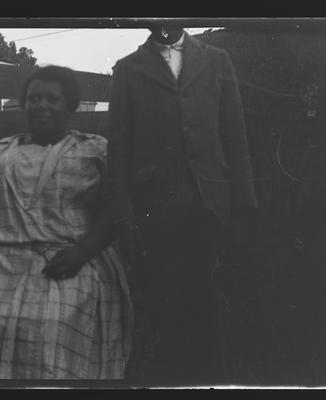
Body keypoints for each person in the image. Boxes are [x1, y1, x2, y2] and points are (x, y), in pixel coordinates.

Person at [0, 65, 133, 379]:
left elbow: (114, 210)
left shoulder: (93, 149)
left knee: (48, 327)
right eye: (34, 98)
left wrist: (81, 254)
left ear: (70, 106)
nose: (41, 105)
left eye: (52, 99)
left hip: (65, 260)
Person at [106, 22, 258, 385]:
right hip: (156, 209)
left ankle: (212, 379)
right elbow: (119, 151)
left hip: (211, 204)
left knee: (206, 303)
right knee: (164, 308)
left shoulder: (217, 61)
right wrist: (125, 217)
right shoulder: (128, 69)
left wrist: (244, 206)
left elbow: (235, 138)